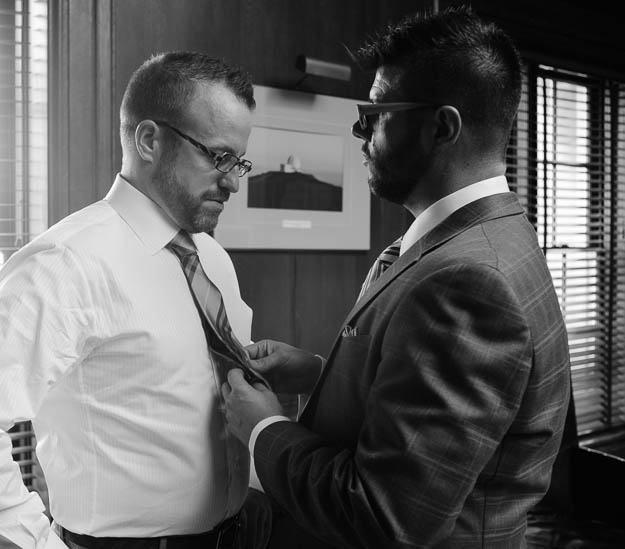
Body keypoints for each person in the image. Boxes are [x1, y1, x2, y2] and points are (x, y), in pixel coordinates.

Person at [222, 6, 571, 548]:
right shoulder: (481, 236)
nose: (360, 131)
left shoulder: (469, 281)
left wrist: (262, 429)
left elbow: (387, 516)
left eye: (376, 114)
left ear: (442, 127)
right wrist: (320, 375)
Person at [0, 51, 270, 549]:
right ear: (148, 140)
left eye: (240, 161)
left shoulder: (211, 258)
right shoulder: (68, 261)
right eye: (218, 156)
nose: (232, 181)